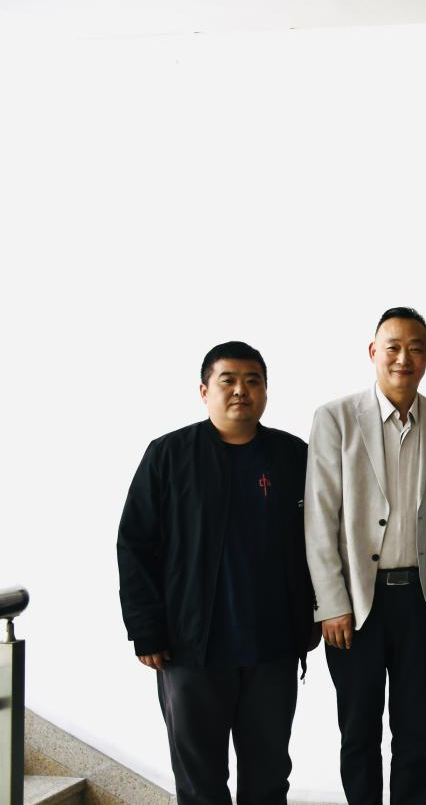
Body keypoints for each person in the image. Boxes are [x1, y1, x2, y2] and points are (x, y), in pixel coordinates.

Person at [117, 341, 314, 805]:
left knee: (268, 778)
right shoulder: (169, 455)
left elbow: (322, 540)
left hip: (272, 646)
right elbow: (134, 544)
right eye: (228, 380)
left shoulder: (293, 457)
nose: (241, 390)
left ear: (266, 391)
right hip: (189, 648)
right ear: (204, 391)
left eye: (253, 381)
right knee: (199, 782)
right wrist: (145, 630)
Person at [304, 307, 426, 805]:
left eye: (415, 348)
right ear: (373, 352)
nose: (403, 358)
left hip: (421, 601)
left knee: (417, 735)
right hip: (356, 603)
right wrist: (331, 603)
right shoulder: (335, 418)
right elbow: (319, 518)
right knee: (359, 733)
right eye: (392, 347)